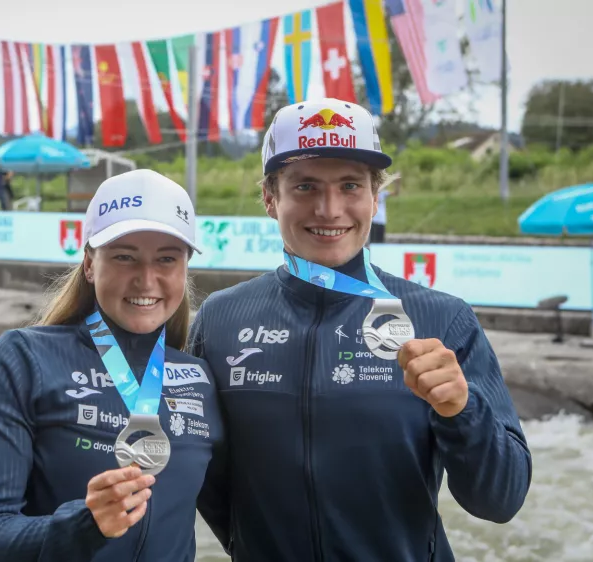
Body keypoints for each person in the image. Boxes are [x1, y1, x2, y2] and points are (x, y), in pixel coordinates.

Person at [189, 98, 532, 561]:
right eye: (305, 186)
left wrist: (461, 410)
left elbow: (501, 500)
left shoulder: (442, 319)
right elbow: (202, 472)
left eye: (350, 185)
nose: (329, 209)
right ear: (271, 199)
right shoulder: (221, 318)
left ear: (375, 196)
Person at [0, 169, 224, 562]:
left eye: (166, 259)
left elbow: (240, 518)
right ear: (88, 264)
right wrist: (81, 525)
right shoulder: (22, 360)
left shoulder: (200, 377)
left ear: (185, 269)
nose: (146, 279)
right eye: (124, 257)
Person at [369, 172, 400, 244]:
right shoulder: (371, 192)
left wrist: (397, 183)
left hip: (381, 221)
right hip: (373, 221)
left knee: (380, 242)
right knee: (372, 243)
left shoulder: (384, 193)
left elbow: (396, 193)